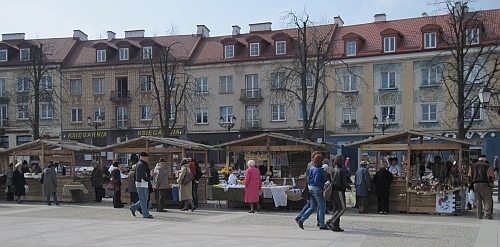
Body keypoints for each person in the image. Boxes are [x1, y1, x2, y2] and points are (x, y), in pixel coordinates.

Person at [296, 153, 328, 230]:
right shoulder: (319, 170)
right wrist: (323, 185)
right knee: (321, 207)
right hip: (317, 189)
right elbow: (317, 181)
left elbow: (309, 178)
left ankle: (302, 219)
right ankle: (322, 224)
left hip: (310, 188)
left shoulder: (311, 168)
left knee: (312, 206)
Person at [326, 154, 350, 232]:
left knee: (336, 208)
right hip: (339, 190)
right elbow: (344, 183)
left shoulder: (333, 169)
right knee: (342, 208)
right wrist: (350, 188)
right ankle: (331, 221)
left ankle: (335, 225)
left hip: (333, 190)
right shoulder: (341, 170)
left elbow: (330, 179)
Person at [468, 154, 495, 219]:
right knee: (487, 199)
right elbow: (490, 177)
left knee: (478, 200)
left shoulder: (472, 166)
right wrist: (492, 186)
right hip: (485, 184)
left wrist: (469, 185)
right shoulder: (487, 166)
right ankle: (487, 213)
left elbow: (469, 177)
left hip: (475, 184)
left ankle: (479, 215)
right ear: (484, 159)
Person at [130, 152, 153, 218]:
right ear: (142, 157)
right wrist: (148, 179)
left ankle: (133, 208)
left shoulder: (143, 164)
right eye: (146, 157)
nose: (147, 158)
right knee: (143, 199)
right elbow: (142, 174)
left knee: (144, 199)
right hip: (141, 183)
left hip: (143, 183)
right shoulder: (140, 164)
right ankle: (145, 214)